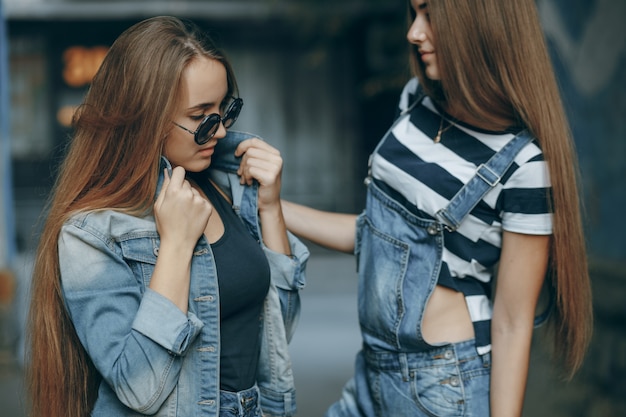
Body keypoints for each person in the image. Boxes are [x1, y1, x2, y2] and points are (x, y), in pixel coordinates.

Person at [281, 0, 592, 415]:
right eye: (415, 14)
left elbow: (513, 321)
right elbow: (375, 234)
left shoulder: (525, 167)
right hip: (372, 371)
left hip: (444, 385)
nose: (414, 33)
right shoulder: (415, 104)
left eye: (431, 15)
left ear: (481, 25)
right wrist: (271, 204)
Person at [26, 16, 308, 417]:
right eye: (201, 117)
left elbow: (278, 334)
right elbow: (140, 389)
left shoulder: (221, 187)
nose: (222, 133)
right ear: (145, 118)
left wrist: (269, 207)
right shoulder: (92, 232)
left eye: (225, 110)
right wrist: (176, 246)